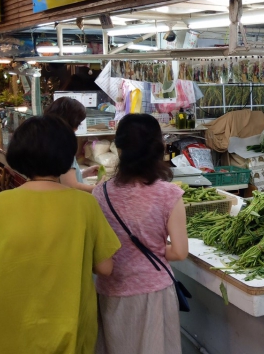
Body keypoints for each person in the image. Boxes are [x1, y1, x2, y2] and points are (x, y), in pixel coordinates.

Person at [0, 116, 121, 354]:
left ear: (18, 155)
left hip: (7, 333)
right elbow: (105, 267)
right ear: (66, 155)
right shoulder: (84, 205)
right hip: (67, 330)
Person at [91, 114, 188, 354]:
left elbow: (99, 249)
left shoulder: (100, 193)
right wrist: (155, 247)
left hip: (111, 292)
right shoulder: (169, 194)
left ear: (119, 148)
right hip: (153, 293)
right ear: (158, 147)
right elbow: (179, 251)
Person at [44, 97, 99, 192]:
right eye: (77, 124)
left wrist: (83, 173)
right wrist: (98, 189)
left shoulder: (48, 141)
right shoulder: (64, 146)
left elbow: (62, 178)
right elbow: (71, 185)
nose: (77, 129)